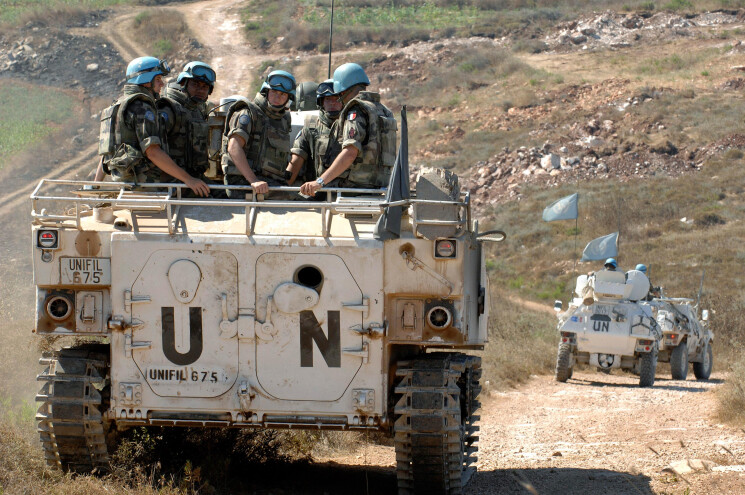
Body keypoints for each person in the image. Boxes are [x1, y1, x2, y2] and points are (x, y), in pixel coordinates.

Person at [95, 56, 210, 197]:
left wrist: (95, 185)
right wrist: (189, 180)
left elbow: (108, 153)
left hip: (127, 184)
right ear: (146, 80)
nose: (162, 84)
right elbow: (152, 151)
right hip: (149, 185)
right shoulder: (142, 107)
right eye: (158, 79)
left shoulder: (118, 105)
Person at [299, 63, 397, 197]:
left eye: (339, 94)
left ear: (343, 90)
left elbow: (350, 152)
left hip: (350, 187)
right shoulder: (383, 110)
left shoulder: (356, 110)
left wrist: (320, 182)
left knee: (300, 198)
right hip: (378, 187)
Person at [222, 70, 295, 199]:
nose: (277, 97)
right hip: (243, 183)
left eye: (283, 94)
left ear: (288, 98)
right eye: (274, 92)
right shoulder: (248, 113)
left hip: (271, 183)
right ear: (266, 92)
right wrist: (254, 180)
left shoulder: (284, 120)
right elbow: (233, 147)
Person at [157, 61, 216, 193]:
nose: (200, 90)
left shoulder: (197, 110)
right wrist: (188, 179)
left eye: (205, 86)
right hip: (172, 181)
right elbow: (153, 151)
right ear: (183, 83)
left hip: (194, 178)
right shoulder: (169, 109)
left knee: (229, 195)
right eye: (195, 84)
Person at [286, 79, 343, 190]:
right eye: (328, 99)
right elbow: (297, 158)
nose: (332, 103)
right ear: (321, 102)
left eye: (337, 99)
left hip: (345, 191)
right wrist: (283, 187)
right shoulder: (311, 127)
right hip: (316, 191)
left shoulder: (351, 126)